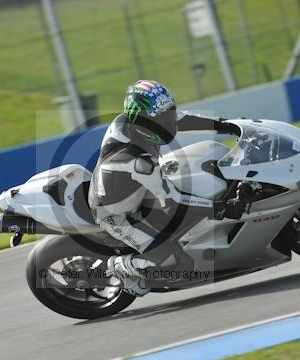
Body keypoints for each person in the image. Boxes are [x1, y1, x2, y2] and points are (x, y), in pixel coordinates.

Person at [88, 80, 248, 296]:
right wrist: (222, 208)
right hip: (116, 214)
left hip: (138, 191)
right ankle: (124, 266)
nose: (168, 123)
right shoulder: (138, 161)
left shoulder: (133, 124)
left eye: (168, 114)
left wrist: (229, 126)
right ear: (144, 121)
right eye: (161, 119)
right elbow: (174, 201)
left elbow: (182, 120)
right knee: (180, 265)